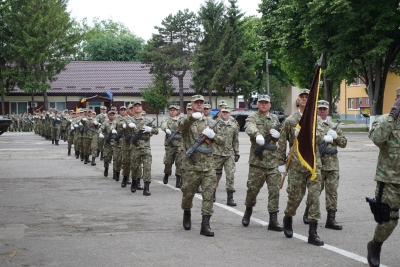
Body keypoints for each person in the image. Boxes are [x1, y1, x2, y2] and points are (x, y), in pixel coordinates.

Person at [276, 89, 326, 246]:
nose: (305, 99)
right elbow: (282, 142)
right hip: (296, 165)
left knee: (314, 198)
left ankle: (313, 232)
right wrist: (281, 163)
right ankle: (288, 217)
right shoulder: (291, 120)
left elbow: (319, 138)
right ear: (298, 100)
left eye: (307, 97)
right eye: (302, 97)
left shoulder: (316, 119)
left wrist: (305, 133)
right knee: (295, 198)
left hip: (313, 165)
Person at [179, 94, 225, 237]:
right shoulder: (186, 121)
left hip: (208, 166)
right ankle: (187, 212)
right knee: (187, 194)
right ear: (191, 104)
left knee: (208, 195)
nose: (199, 104)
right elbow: (181, 126)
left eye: (201, 102)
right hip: (190, 167)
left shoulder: (211, 122)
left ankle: (205, 224)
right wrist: (192, 117)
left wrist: (213, 136)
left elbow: (223, 141)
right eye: (196, 102)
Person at [366, 88, 400, 267]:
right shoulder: (384, 120)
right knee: (388, 221)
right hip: (390, 181)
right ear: (396, 100)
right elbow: (377, 138)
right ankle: (375, 245)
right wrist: (393, 116)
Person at [303, 100, 347, 230]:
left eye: (324, 109)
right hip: (318, 165)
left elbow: (343, 143)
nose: (322, 111)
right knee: (315, 192)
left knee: (332, 192)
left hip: (332, 165)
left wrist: (336, 138)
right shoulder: (312, 125)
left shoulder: (334, 126)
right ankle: (308, 213)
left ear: (328, 110)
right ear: (316, 110)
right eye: (320, 109)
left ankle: (331, 219)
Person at [241, 95, 283, 231]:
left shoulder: (275, 118)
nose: (264, 105)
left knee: (274, 191)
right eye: (261, 103)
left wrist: (278, 135)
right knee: (252, 190)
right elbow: (248, 127)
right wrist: (257, 134)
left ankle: (273, 220)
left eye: (266, 103)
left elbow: (280, 136)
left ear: (270, 105)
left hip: (272, 162)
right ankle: (248, 211)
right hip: (257, 163)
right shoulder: (253, 117)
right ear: (258, 104)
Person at [129, 101, 158, 195]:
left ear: (141, 108)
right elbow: (124, 129)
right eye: (135, 106)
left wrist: (151, 130)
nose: (137, 107)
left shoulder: (148, 120)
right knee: (135, 168)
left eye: (139, 106)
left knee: (147, 167)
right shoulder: (130, 120)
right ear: (133, 109)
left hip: (146, 148)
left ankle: (146, 187)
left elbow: (156, 131)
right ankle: (134, 182)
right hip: (135, 148)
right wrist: (127, 126)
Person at [212, 105, 239, 206]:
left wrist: (237, 152)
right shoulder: (215, 124)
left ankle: (230, 198)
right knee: (215, 176)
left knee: (230, 175)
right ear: (220, 113)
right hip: (216, 154)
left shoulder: (234, 126)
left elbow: (235, 140)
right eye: (223, 112)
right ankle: (212, 195)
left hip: (229, 154)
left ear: (230, 114)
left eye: (227, 112)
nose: (225, 114)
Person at [161, 104, 183, 188]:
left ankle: (178, 180)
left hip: (179, 145)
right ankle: (166, 174)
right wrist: (166, 129)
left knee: (179, 163)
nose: (172, 111)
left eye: (174, 110)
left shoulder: (181, 120)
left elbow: (185, 128)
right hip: (169, 145)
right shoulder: (166, 119)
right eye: (171, 110)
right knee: (168, 162)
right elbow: (163, 125)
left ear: (178, 111)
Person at [98, 110, 117, 177]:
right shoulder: (105, 123)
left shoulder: (117, 123)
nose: (111, 116)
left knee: (115, 158)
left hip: (115, 143)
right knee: (106, 158)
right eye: (110, 115)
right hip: (107, 143)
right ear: (108, 116)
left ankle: (115, 171)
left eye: (113, 115)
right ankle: (106, 169)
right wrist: (100, 133)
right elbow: (100, 129)